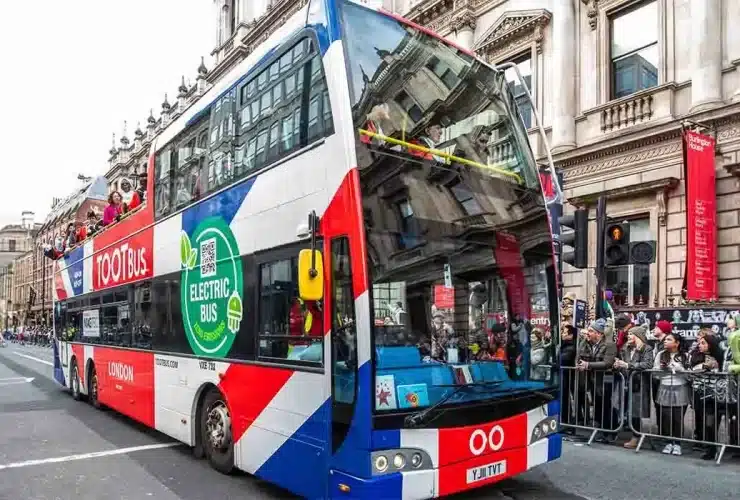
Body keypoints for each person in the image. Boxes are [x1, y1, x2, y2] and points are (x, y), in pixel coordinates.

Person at [612, 325, 653, 449]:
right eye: (628, 334)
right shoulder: (625, 348)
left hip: (638, 384)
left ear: (638, 336)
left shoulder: (647, 348)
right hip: (624, 383)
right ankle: (621, 432)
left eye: (631, 334)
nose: (628, 336)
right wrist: (617, 364)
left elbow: (647, 364)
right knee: (620, 407)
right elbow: (621, 362)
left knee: (635, 412)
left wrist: (627, 365)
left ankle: (636, 437)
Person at [575, 318, 617, 438]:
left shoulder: (610, 345)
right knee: (598, 405)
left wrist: (588, 365)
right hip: (593, 380)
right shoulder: (588, 344)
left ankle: (611, 431)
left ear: (599, 333)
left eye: (590, 331)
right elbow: (579, 357)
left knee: (607, 406)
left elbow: (607, 363)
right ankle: (601, 430)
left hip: (606, 381)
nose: (587, 333)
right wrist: (583, 342)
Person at [653, 331, 690, 456]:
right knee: (666, 417)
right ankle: (669, 442)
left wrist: (680, 370)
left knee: (678, 418)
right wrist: (662, 369)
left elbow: (690, 376)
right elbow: (655, 374)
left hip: (680, 388)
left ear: (677, 343)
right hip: (664, 386)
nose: (665, 341)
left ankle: (678, 444)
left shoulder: (685, 356)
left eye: (669, 339)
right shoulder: (660, 355)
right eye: (665, 340)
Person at [689, 333, 722, 460]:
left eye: (703, 343)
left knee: (711, 423)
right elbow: (692, 370)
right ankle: (709, 447)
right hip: (700, 392)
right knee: (705, 422)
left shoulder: (719, 356)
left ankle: (713, 448)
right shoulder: (696, 355)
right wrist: (704, 366)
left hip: (714, 393)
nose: (700, 345)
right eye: (700, 343)